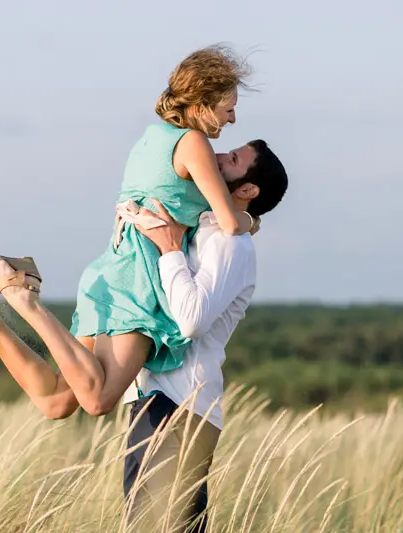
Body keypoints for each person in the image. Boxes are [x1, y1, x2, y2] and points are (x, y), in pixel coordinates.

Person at [0, 45, 260, 418]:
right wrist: (252, 220)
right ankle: (22, 296)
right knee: (97, 400)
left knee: (57, 401)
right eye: (229, 108)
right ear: (202, 102)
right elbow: (227, 222)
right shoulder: (193, 143)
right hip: (138, 284)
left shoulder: (152, 138)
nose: (233, 119)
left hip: (110, 271)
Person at [121, 140, 288, 532]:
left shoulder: (231, 244)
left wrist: (169, 250)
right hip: (159, 398)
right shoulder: (210, 227)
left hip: (180, 404)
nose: (214, 157)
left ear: (247, 190)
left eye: (232, 160)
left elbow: (191, 320)